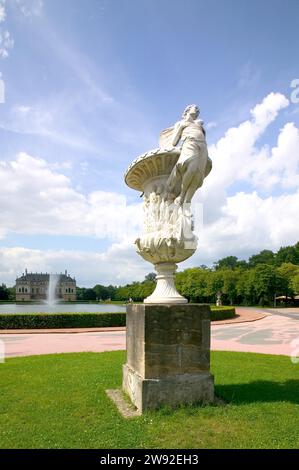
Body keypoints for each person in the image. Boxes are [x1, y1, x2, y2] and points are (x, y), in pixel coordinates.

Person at [167, 104, 211, 204]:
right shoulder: (181, 123)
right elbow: (174, 142)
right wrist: (181, 128)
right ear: (187, 110)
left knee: (199, 176)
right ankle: (182, 195)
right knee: (192, 167)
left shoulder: (198, 124)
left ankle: (187, 201)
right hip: (190, 143)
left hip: (203, 146)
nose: (197, 109)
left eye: (198, 109)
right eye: (195, 107)